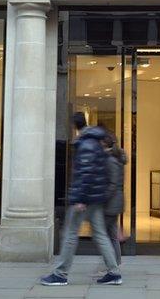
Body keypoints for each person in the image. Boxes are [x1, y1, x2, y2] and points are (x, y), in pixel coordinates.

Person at [40, 113, 121, 286]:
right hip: (95, 197)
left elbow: (85, 173)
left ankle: (60, 274)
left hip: (85, 198)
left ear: (74, 126)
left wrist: (81, 198)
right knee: (100, 235)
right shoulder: (95, 142)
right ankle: (114, 272)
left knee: (69, 234)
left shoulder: (86, 144)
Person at [102, 131, 127, 266]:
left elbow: (112, 184)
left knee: (104, 236)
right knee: (111, 234)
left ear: (105, 143)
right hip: (115, 202)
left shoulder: (111, 160)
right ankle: (115, 264)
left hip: (111, 203)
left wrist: (103, 198)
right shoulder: (116, 158)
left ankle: (112, 266)